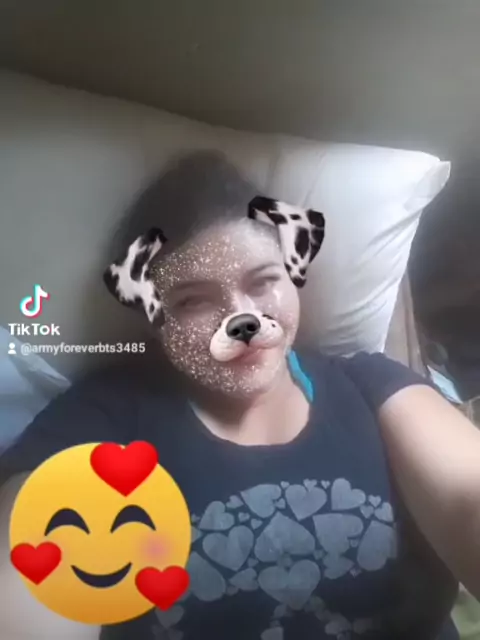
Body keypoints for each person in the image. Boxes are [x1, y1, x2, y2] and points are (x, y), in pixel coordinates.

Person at [1, 151, 479, 640]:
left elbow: (468, 494)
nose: (241, 318)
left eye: (263, 281)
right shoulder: (102, 420)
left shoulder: (372, 388)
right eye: (193, 299)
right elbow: (34, 577)